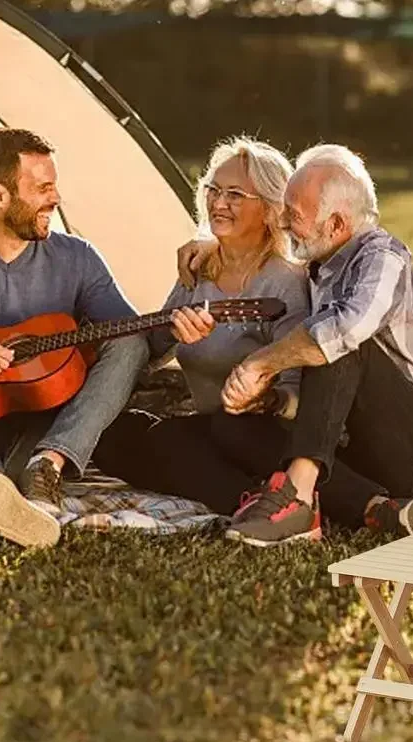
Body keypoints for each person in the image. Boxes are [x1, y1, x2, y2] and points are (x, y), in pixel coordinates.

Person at [180, 144, 413, 546]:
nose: (282, 221)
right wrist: (272, 402)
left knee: (334, 339)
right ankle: (377, 509)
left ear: (335, 224)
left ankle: (297, 499)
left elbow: (342, 334)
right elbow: (324, 399)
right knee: (232, 428)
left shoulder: (384, 258)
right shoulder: (316, 266)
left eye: (293, 215)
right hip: (358, 450)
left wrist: (260, 364)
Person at [92, 137, 310, 512]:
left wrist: (260, 397)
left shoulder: (285, 282)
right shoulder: (199, 268)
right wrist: (171, 332)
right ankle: (224, 483)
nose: (219, 203)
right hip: (209, 427)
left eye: (236, 195)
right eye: (214, 189)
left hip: (260, 433)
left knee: (170, 442)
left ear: (272, 209)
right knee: (112, 436)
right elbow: (154, 350)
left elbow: (297, 392)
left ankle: (250, 500)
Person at [0, 128, 148, 548]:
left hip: (49, 424)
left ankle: (44, 471)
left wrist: (184, 320)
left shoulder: (77, 258)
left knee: (131, 342)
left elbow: (134, 345)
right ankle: (0, 495)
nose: (55, 199)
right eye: (42, 188)